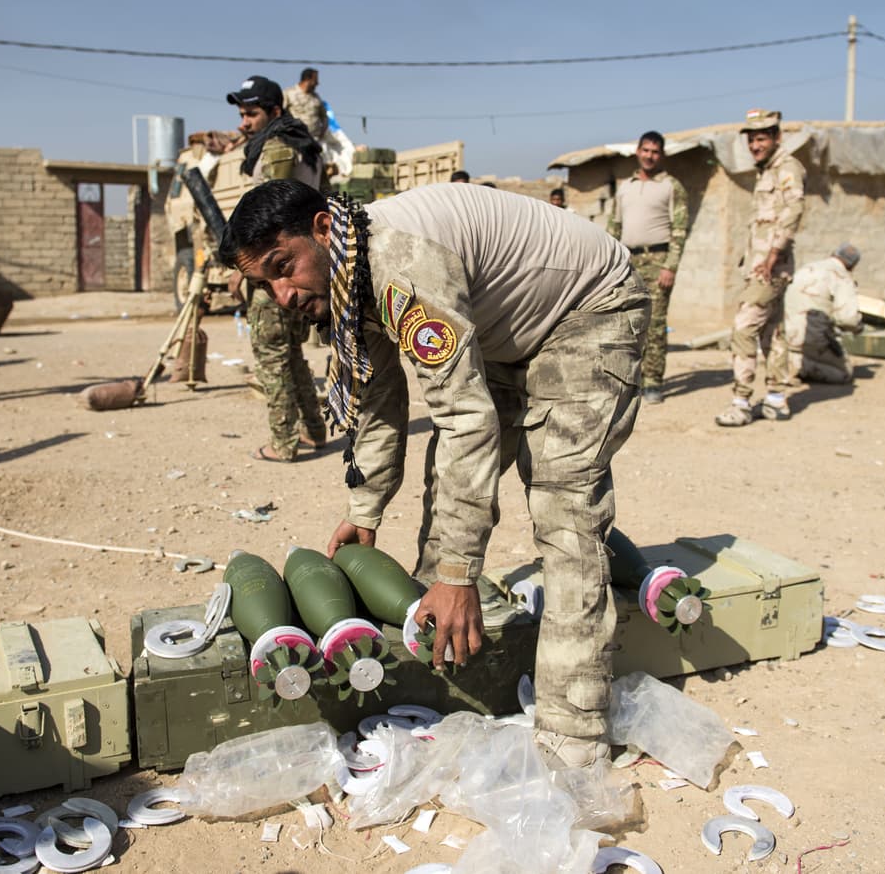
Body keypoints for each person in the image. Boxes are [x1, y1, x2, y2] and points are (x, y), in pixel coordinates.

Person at [219, 179, 648, 770]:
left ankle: (573, 739)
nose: (283, 294)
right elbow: (376, 396)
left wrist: (460, 572)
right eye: (266, 283)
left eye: (282, 267)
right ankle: (440, 653)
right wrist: (364, 509)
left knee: (565, 508)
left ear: (322, 228)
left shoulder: (401, 266)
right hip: (510, 332)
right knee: (449, 480)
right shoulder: (348, 272)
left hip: (586, 310)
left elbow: (465, 422)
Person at [226, 76, 328, 462]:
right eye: (241, 114)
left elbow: (267, 223)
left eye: (251, 113)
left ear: (274, 112)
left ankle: (283, 442)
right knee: (292, 354)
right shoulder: (306, 146)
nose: (243, 122)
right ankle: (313, 430)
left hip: (276, 269)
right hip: (293, 267)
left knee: (271, 355)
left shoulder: (277, 148)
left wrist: (241, 269)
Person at [715, 109, 805, 426]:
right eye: (752, 139)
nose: (755, 144)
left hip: (770, 267)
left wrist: (772, 255)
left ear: (777, 137)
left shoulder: (786, 168)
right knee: (771, 332)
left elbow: (794, 210)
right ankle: (776, 400)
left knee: (743, 327)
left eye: (762, 138)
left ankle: (741, 402)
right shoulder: (765, 171)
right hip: (762, 265)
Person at [606, 131, 689, 404]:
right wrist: (609, 262)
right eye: (646, 150)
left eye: (655, 151)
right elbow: (614, 226)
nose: (650, 156)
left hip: (657, 261)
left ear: (661, 154)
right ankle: (628, 379)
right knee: (625, 321)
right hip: (628, 261)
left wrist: (670, 266)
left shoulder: (671, 186)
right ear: (638, 151)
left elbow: (679, 229)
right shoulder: (625, 186)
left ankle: (653, 382)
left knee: (654, 323)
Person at [784, 244, 863, 384]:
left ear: (833, 254)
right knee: (844, 373)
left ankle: (789, 360)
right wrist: (858, 327)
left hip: (786, 333)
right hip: (814, 339)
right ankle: (801, 367)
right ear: (853, 266)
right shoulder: (842, 277)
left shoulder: (807, 268)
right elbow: (848, 319)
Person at [283, 68, 328, 145]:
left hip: (314, 140)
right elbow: (280, 113)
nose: (317, 83)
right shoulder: (289, 93)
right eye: (315, 80)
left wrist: (322, 132)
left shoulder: (316, 97)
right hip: (296, 139)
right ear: (307, 79)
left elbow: (324, 117)